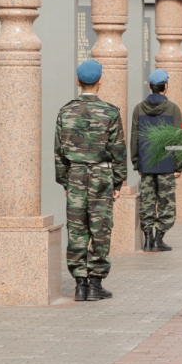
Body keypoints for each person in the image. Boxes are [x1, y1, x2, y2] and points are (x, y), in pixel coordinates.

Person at [55, 60, 127, 298]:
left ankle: (79, 284)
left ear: (78, 81)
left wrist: (66, 181)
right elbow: (118, 150)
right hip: (101, 175)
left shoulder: (65, 112)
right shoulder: (110, 112)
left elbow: (59, 152)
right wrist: (117, 182)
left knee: (76, 229)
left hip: (75, 174)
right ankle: (95, 283)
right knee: (100, 228)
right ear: (100, 81)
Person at [131, 69, 182, 252]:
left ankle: (147, 239)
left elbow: (134, 138)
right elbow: (178, 139)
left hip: (146, 165)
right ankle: (160, 237)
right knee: (166, 203)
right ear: (166, 86)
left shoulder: (139, 108)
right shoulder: (173, 109)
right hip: (167, 164)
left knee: (147, 202)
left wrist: (136, 162)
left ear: (149, 86)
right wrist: (179, 165)